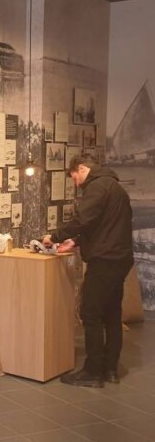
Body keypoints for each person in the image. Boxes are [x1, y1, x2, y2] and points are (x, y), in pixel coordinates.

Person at [42, 154, 133, 388]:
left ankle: (92, 372)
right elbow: (103, 225)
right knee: (112, 314)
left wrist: (55, 237)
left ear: (82, 168)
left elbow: (82, 219)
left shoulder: (97, 187)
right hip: (120, 259)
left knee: (90, 313)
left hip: (104, 260)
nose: (75, 183)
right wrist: (76, 241)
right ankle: (110, 369)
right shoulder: (115, 187)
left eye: (74, 177)